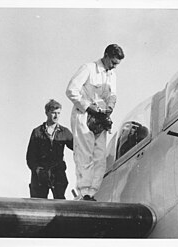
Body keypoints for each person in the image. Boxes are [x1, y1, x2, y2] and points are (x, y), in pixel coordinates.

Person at [66, 44, 124, 201]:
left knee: (99, 156)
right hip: (84, 116)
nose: (114, 66)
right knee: (85, 154)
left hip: (100, 119)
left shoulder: (112, 74)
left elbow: (113, 94)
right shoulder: (88, 68)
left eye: (117, 64)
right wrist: (88, 108)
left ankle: (92, 193)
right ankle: (84, 192)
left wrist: (110, 108)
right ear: (106, 56)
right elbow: (71, 90)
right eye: (112, 62)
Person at [26, 99, 73, 199]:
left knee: (60, 204)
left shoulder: (64, 132)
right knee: (38, 204)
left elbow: (78, 147)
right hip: (40, 174)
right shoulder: (37, 132)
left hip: (58, 173)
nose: (56, 116)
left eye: (59, 113)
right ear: (47, 112)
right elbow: (30, 156)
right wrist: (36, 169)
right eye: (53, 113)